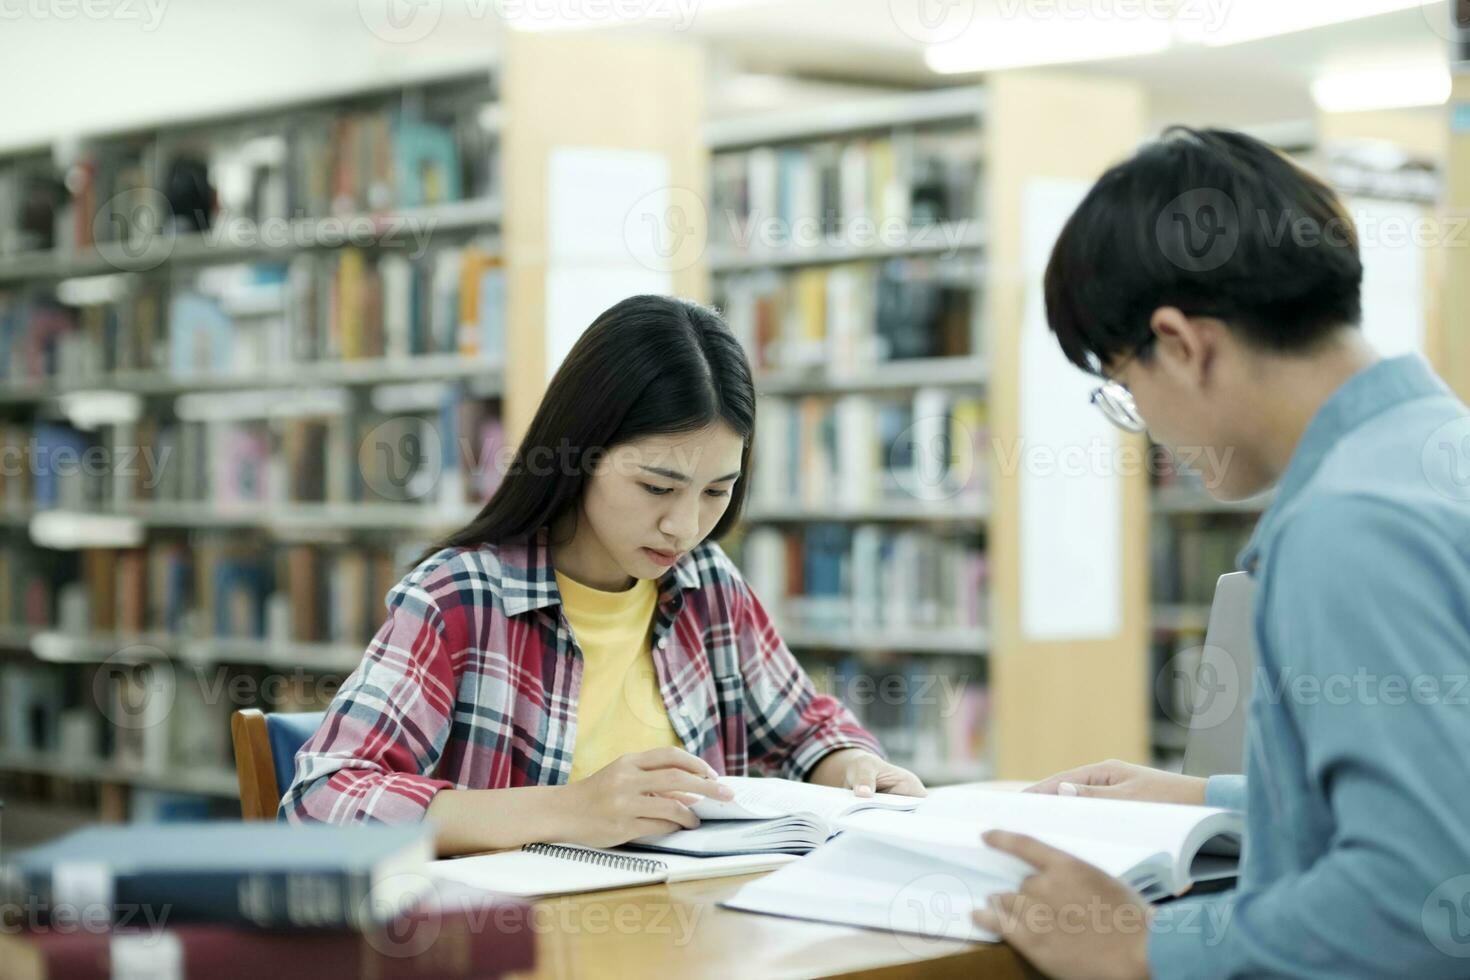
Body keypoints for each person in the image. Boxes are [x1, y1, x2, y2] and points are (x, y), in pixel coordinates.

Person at [973, 128, 1470, 978]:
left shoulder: (1348, 526)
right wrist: (1215, 797)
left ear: (1182, 342)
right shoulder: (1436, 451)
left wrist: (1145, 946)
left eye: (1126, 390)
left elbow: (1420, 897)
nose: (1148, 431)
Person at [281, 295, 923, 855]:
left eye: (716, 491)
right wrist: (570, 810)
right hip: (511, 946)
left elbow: (807, 731)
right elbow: (321, 800)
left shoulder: (707, 588)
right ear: (580, 453)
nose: (684, 526)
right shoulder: (461, 599)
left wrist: (857, 769)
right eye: (657, 486)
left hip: (692, 935)